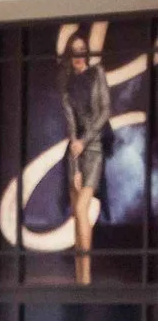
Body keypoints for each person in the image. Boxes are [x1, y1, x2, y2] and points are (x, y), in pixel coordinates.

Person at [60, 31, 110, 286]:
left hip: (93, 148)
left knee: (82, 209)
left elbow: (104, 112)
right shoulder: (67, 84)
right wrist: (75, 163)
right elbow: (70, 125)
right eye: (74, 50)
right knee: (76, 214)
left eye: (82, 50)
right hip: (74, 153)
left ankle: (86, 277)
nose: (78, 55)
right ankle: (79, 278)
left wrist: (84, 141)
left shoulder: (97, 74)